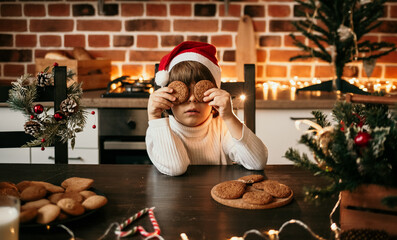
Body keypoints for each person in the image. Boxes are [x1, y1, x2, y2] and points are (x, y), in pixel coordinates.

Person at [146, 41, 268, 176]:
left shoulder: (222, 127)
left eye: (199, 90)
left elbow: (258, 162)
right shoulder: (159, 131)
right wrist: (155, 118)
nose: (192, 98)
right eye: (183, 90)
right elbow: (175, 168)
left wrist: (229, 116)